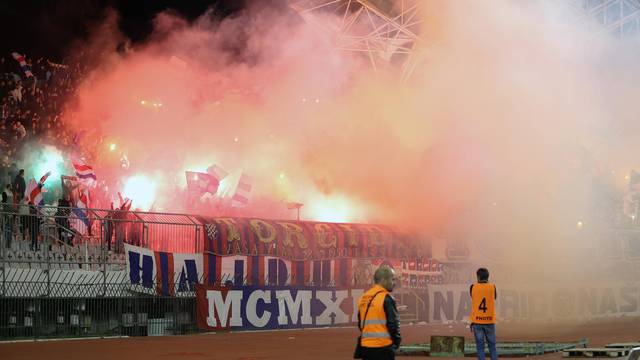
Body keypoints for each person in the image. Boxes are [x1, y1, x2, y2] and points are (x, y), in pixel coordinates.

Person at [356, 265, 401, 360]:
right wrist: (396, 342)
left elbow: (360, 324)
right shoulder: (387, 298)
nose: (394, 283)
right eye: (392, 279)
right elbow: (393, 324)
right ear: (383, 280)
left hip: (365, 348)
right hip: (383, 347)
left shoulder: (363, 297)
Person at [469, 268, 498, 360]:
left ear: (478, 276)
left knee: (480, 347)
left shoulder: (473, 287)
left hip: (477, 321)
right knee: (492, 346)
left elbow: (473, 296)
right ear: (488, 276)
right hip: (490, 321)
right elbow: (495, 297)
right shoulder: (493, 287)